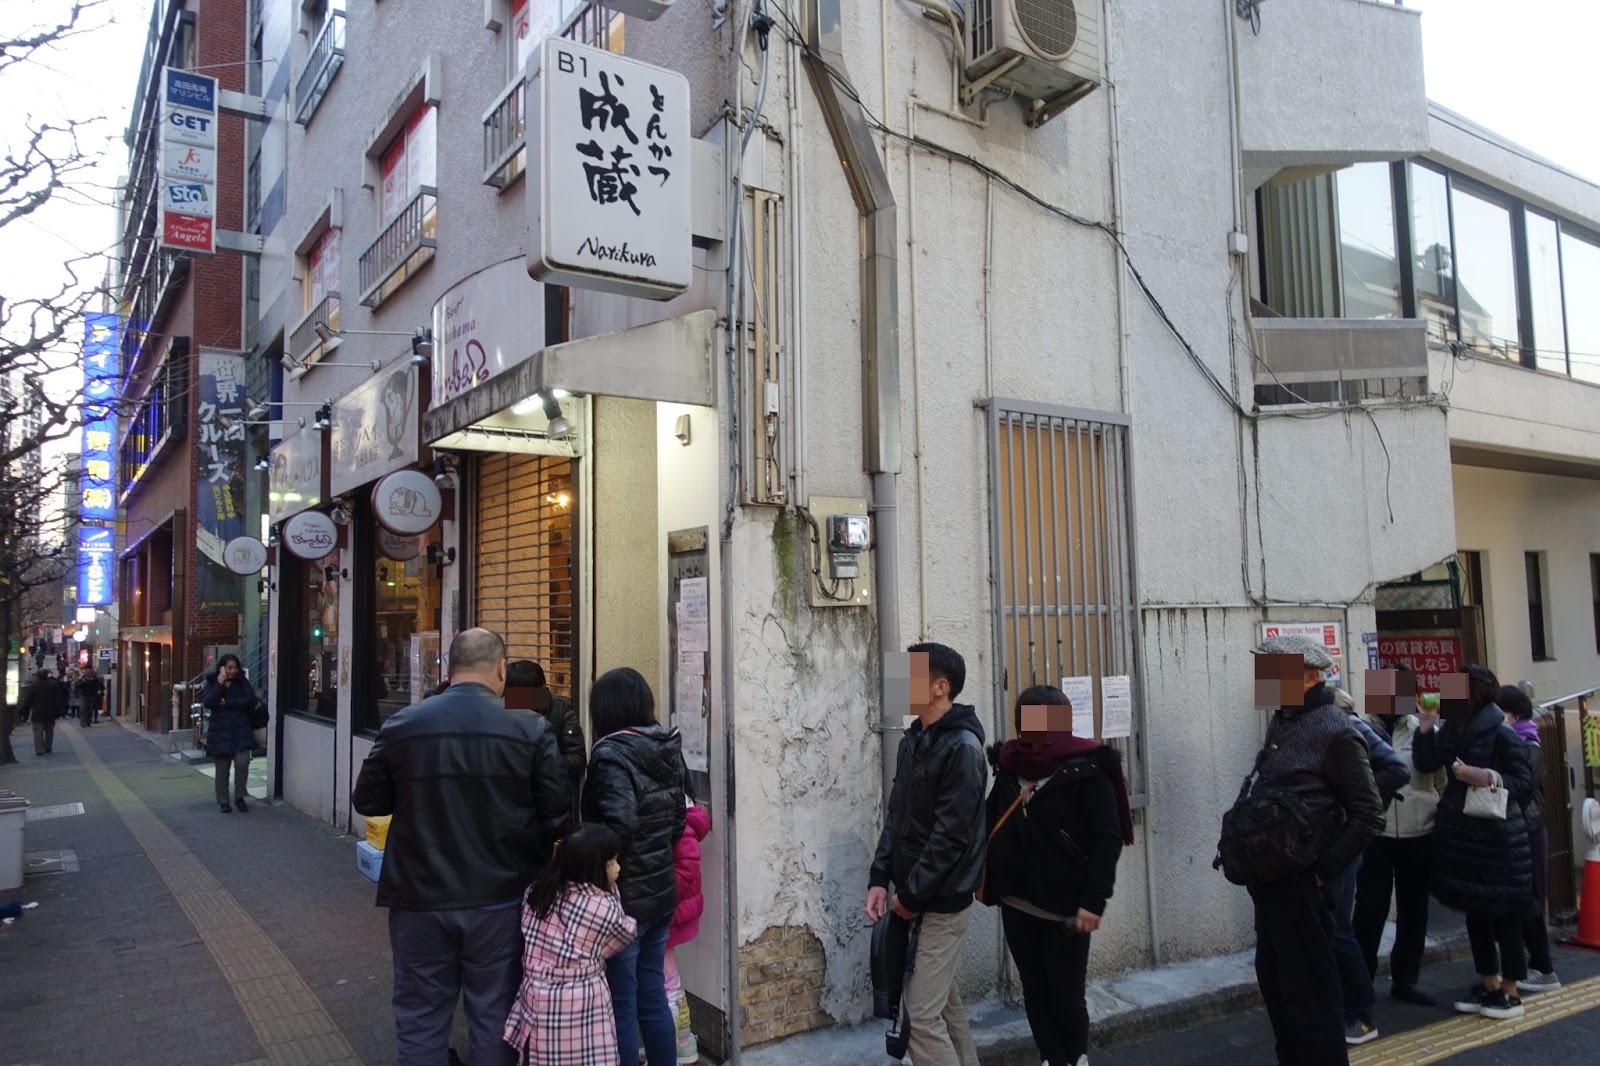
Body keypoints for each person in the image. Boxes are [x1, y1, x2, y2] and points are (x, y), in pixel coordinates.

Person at [352, 628, 573, 1066]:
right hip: (501, 897)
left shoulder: (404, 724)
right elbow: (558, 813)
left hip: (418, 896)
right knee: (495, 1014)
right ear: (501, 668)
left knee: (420, 1015)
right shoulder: (529, 724)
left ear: (449, 669)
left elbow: (368, 800)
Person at [1238, 635, 1384, 1066]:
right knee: (1279, 992)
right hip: (1271, 884)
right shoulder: (1282, 721)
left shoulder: (1336, 730)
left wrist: (1323, 870)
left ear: (1310, 676)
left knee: (1311, 1004)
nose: (1263, 679)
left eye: (1275, 670)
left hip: (1306, 887)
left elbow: (1369, 813)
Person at [979, 685, 1133, 1066]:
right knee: (1034, 989)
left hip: (1066, 908)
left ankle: (1076, 1056)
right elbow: (989, 818)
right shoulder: (1009, 765)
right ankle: (1052, 1058)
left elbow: (1106, 839)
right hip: (1016, 900)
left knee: (1066, 992)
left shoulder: (1088, 769)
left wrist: (1093, 902)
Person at [866, 643, 988, 1066]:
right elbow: (896, 814)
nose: (898, 684)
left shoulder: (963, 748)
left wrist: (910, 896)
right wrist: (880, 878)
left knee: (920, 1014)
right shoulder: (914, 739)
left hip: (941, 901)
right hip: (913, 895)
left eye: (909, 676)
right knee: (943, 1005)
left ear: (940, 687)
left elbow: (950, 838)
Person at [1413, 664, 1534, 1021]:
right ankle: (1489, 982)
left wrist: (1482, 776)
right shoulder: (1455, 729)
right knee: (1476, 911)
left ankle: (1511, 989)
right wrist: (1425, 724)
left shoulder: (1503, 733)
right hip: (1464, 839)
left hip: (1498, 841)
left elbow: (1523, 783)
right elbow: (1425, 761)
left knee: (1505, 914)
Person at [581, 667, 687, 1066]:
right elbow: (679, 820)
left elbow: (616, 826)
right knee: (652, 994)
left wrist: (587, 860)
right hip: (660, 892)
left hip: (623, 899)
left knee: (621, 1004)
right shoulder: (665, 747)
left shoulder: (611, 754)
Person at [502, 824, 637, 1066]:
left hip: (537, 1000)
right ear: (592, 869)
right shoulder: (602, 907)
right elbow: (621, 936)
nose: (619, 868)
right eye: (611, 863)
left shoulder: (537, 891)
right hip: (582, 1003)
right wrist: (611, 893)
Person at [1353, 665, 1448, 1007]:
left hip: (1419, 832)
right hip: (1376, 834)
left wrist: (1426, 727)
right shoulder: (1361, 729)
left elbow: (1439, 779)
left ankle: (1406, 980)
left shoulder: (1424, 728)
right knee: (1370, 911)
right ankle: (1360, 983)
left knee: (1414, 911)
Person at [1329, 686, 1409, 1046]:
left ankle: (1361, 1012)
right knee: (1335, 926)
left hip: (1351, 839)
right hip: (1338, 837)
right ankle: (1348, 1005)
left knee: (1340, 929)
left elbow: (1396, 770)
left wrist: (1361, 798)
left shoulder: (1351, 728)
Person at [1497, 684, 1560, 993]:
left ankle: (1543, 967)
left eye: (1501, 711)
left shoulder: (1528, 742)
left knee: (1531, 898)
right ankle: (1532, 963)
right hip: (1522, 829)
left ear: (1513, 713)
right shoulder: (1519, 739)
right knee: (1523, 898)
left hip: (1530, 829)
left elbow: (1523, 787)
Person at [665, 778, 712, 1066]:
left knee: (666, 980)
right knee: (666, 978)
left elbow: (686, 867)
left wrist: (658, 895)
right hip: (675, 908)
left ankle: (682, 1045)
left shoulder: (680, 818)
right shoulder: (680, 811)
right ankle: (677, 1043)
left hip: (671, 910)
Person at [506, 659, 588, 813]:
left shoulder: (560, 710)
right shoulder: (502, 712)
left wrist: (543, 767)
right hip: (511, 802)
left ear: (542, 688)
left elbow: (577, 758)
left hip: (549, 802)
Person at [201, 655, 259, 813]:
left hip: (241, 730)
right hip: (220, 732)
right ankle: (223, 801)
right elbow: (209, 702)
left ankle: (239, 796)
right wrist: (220, 683)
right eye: (229, 668)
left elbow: (249, 699)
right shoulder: (213, 682)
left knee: (242, 764)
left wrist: (227, 703)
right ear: (222, 668)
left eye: (235, 668)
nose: (233, 671)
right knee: (222, 769)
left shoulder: (242, 682)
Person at [20, 670, 65, 756]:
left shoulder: (33, 686)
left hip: (38, 712)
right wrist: (61, 711)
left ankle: (39, 750)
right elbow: (59, 699)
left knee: (38, 731)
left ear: (38, 676)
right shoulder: (54, 685)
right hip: (51, 712)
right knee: (49, 731)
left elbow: (28, 701)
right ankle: (48, 747)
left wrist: (24, 711)